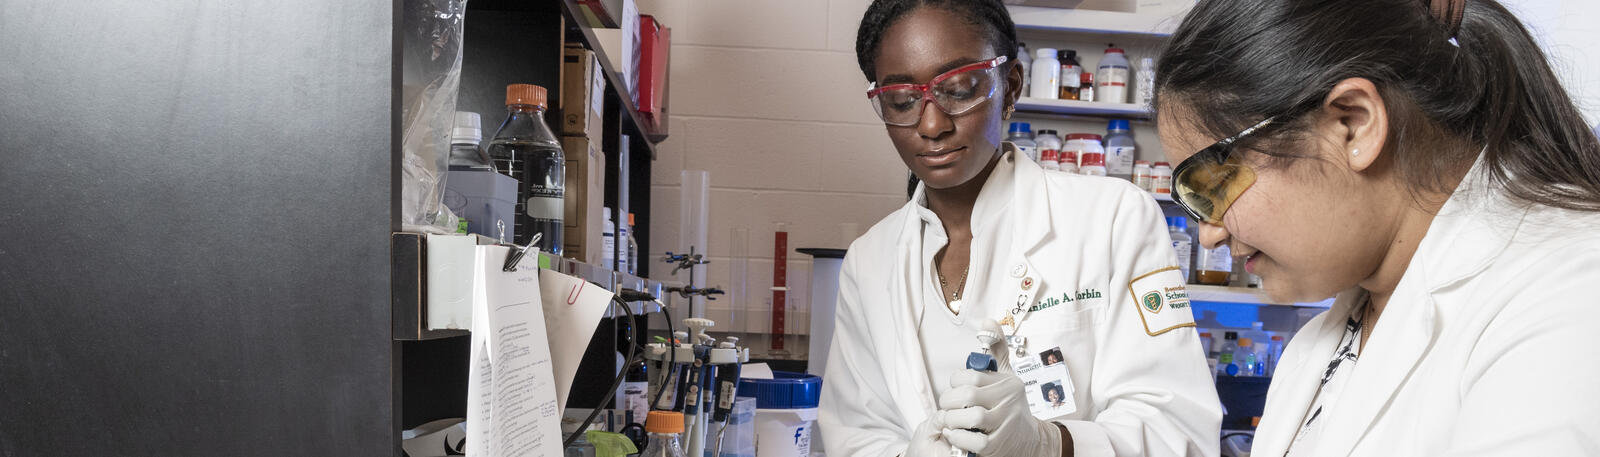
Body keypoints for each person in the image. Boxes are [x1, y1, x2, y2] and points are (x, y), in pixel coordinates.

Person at [1154, 0, 1600, 454]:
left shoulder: (1571, 294)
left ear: (1353, 125)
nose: (1208, 232)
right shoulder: (1323, 338)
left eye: (1212, 181)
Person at [818, 1, 1222, 456]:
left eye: (958, 88)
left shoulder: (1113, 219)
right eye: (902, 100)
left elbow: (1177, 428)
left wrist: (1048, 445)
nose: (931, 124)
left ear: (1010, 86)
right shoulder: (870, 260)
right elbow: (855, 436)